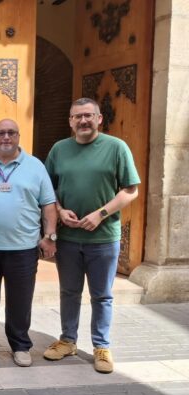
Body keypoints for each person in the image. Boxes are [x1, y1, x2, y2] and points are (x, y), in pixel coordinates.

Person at [43, 97, 140, 374]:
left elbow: (130, 190)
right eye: (77, 117)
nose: (83, 121)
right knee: (69, 292)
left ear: (99, 118)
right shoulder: (59, 150)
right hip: (70, 238)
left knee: (102, 295)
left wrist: (101, 214)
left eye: (88, 115)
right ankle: (68, 340)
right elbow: (47, 191)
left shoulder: (116, 147)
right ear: (70, 121)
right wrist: (60, 212)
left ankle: (101, 347)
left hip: (104, 239)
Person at [0, 119, 57, 367]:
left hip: (23, 248)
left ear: (18, 136)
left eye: (11, 133)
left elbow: (48, 205)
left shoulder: (35, 166)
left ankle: (20, 346)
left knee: (20, 300)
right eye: (1, 133)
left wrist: (50, 236)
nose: (6, 137)